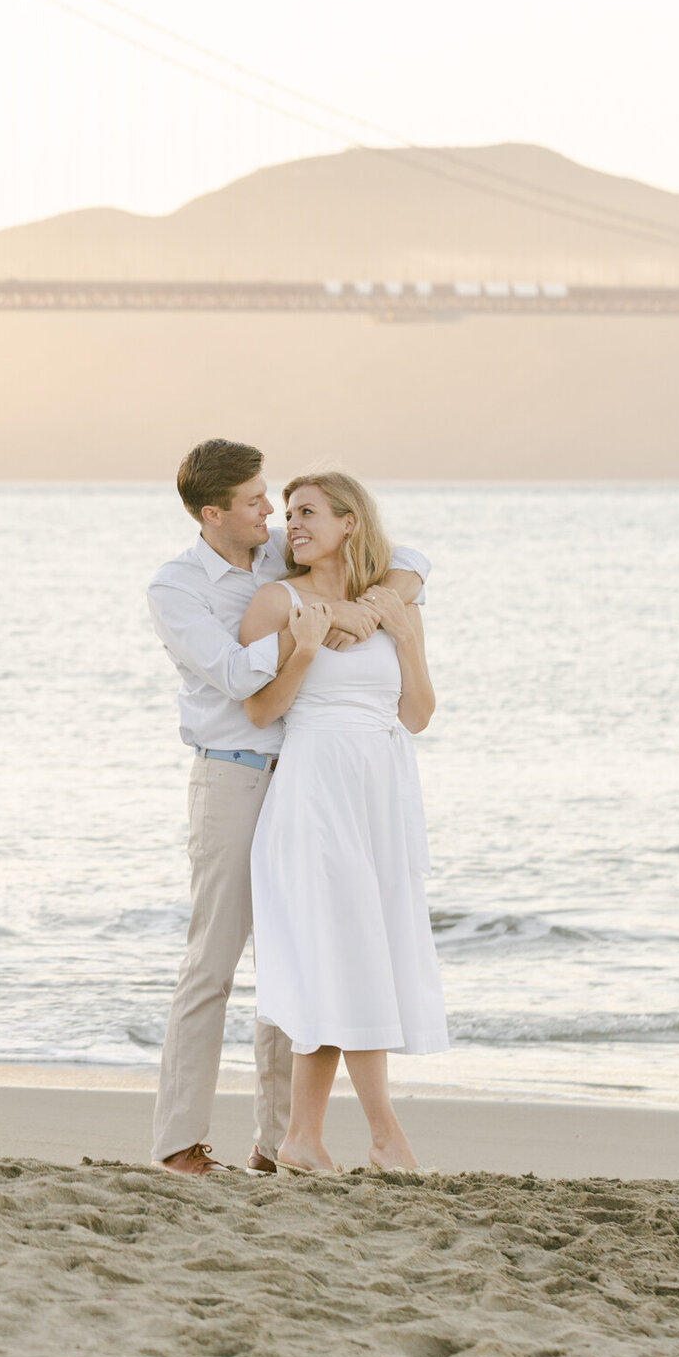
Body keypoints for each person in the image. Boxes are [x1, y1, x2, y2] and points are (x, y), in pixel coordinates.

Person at [147, 440, 430, 1176]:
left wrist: (373, 607)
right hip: (236, 776)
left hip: (312, 777)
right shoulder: (177, 588)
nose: (270, 514)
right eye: (254, 502)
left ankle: (279, 1142)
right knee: (214, 961)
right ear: (214, 514)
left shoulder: (276, 552)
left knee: (294, 956)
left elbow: (412, 561)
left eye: (273, 501)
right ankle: (180, 1144)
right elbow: (241, 674)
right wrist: (319, 625)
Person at [241, 471, 448, 1175]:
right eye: (289, 514)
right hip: (315, 796)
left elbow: (416, 715)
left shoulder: (384, 604)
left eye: (306, 513)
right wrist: (303, 647)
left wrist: (406, 637)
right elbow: (260, 711)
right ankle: (386, 1135)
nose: (291, 524)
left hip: (379, 798)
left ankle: (302, 1138)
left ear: (350, 522)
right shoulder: (278, 600)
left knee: (349, 960)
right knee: (349, 955)